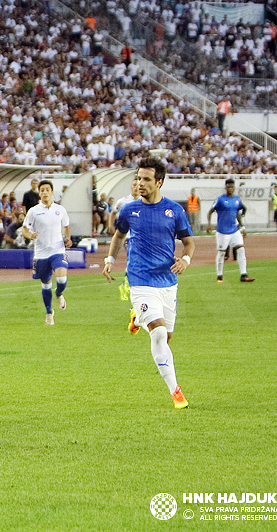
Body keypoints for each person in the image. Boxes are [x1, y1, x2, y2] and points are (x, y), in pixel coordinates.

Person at [102, 156, 194, 410]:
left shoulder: (174, 210)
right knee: (160, 333)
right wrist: (110, 259)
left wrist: (185, 259)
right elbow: (118, 235)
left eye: (146, 179)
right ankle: (176, 392)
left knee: (166, 337)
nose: (140, 183)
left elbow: (188, 242)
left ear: (159, 182)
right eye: (138, 178)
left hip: (167, 281)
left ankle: (137, 319)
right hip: (140, 280)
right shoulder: (130, 210)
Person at [22, 180, 72, 325]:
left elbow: (66, 226)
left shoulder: (60, 209)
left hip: (57, 250)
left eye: (47, 190)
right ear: (39, 193)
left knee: (62, 279)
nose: (44, 192)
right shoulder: (33, 211)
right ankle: (49, 312)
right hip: (41, 253)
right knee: (46, 284)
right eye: (42, 190)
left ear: (51, 192)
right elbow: (25, 229)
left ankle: (59, 293)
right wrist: (29, 235)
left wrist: (67, 238)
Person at [206, 179, 255, 283]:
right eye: (228, 187)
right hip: (222, 232)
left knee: (241, 249)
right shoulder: (220, 200)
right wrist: (209, 225)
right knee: (221, 253)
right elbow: (210, 212)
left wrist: (242, 228)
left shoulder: (237, 199)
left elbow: (237, 213)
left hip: (234, 230)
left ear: (234, 188)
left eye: (232, 187)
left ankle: (244, 275)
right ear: (225, 188)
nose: (230, 189)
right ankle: (219, 276)